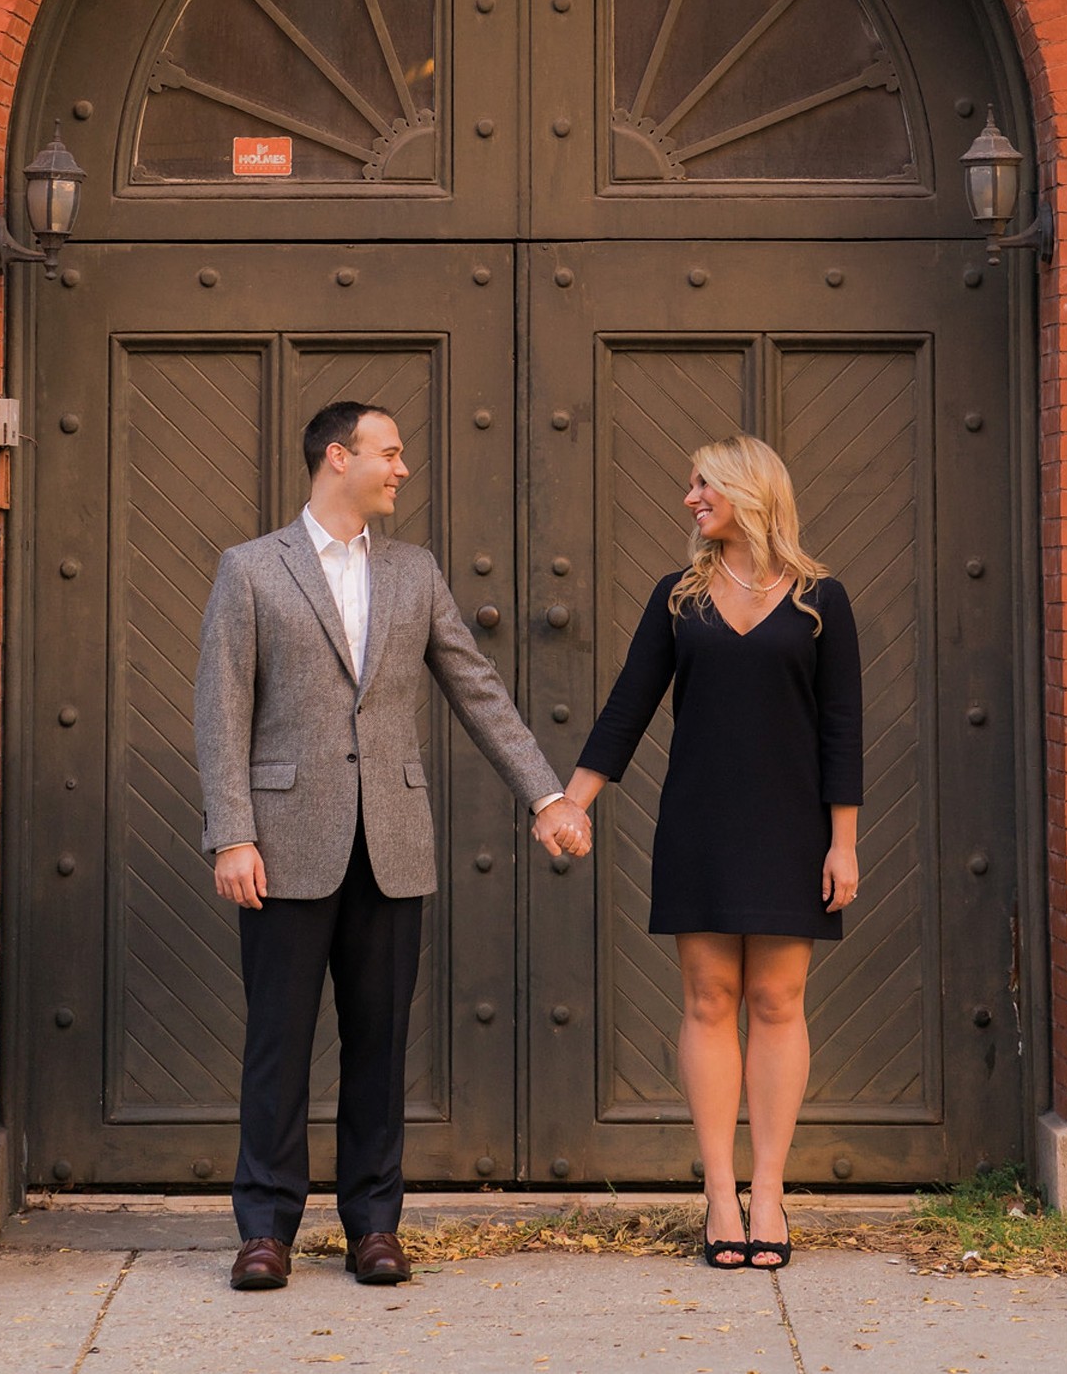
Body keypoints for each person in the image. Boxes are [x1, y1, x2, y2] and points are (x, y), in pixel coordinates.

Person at [194, 399, 591, 1294]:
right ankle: (265, 1230)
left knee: (379, 1045)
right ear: (339, 458)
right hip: (284, 845)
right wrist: (232, 834)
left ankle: (374, 1226)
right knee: (278, 1044)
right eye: (391, 452)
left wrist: (547, 791)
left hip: (393, 843)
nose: (402, 468)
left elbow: (474, 685)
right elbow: (220, 711)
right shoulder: (252, 569)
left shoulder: (415, 572)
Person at [561, 433, 862, 1272]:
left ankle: (769, 1191)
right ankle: (720, 1193)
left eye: (704, 484)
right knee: (708, 996)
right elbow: (628, 707)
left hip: (791, 826)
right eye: (689, 483)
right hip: (698, 820)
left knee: (776, 998)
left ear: (748, 489)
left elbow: (842, 726)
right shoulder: (677, 597)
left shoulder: (820, 600)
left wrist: (844, 842)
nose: (690, 498)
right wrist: (569, 803)